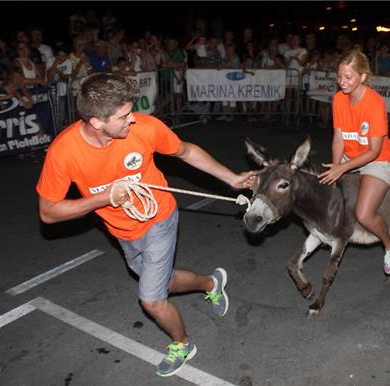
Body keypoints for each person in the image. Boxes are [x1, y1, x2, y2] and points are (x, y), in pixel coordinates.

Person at [35, 73, 255, 377]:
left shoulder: (144, 127)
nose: (133, 120)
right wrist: (103, 199)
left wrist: (231, 179)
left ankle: (183, 344)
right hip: (122, 231)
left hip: (160, 219)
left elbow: (186, 151)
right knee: (163, 282)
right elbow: (48, 212)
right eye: (124, 115)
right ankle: (210, 283)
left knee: (151, 298)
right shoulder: (64, 152)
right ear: (97, 122)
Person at [318, 49, 390, 275]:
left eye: (348, 77)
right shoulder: (338, 99)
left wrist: (343, 168)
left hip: (376, 159)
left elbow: (374, 151)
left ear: (362, 77)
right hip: (348, 156)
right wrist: (336, 167)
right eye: (339, 76)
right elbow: (338, 138)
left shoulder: (374, 103)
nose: (342, 82)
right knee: (320, 188)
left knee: (364, 214)